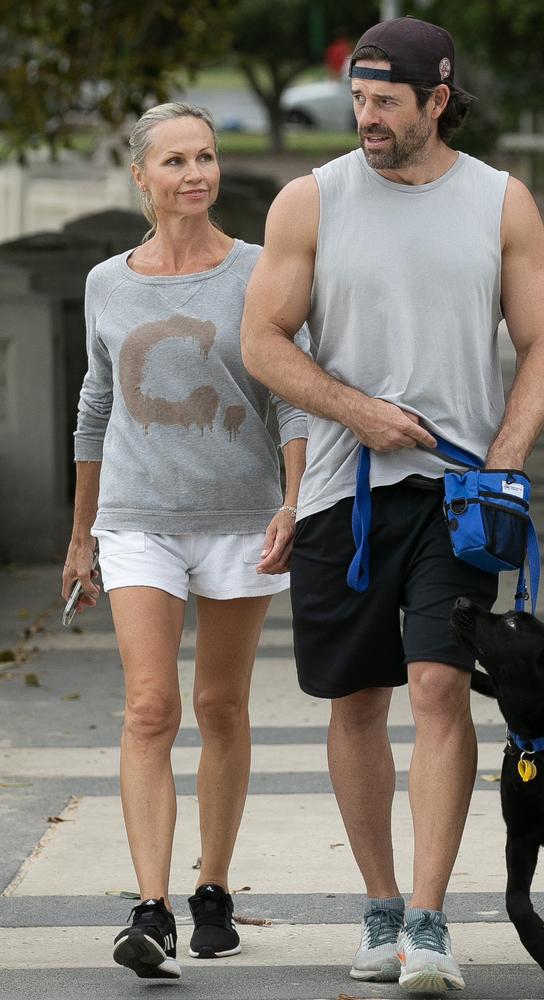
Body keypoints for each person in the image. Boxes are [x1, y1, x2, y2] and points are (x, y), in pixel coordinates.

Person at [241, 16, 544, 997]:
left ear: (437, 98)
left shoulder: (498, 203)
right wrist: (357, 413)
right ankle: (379, 904)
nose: (366, 117)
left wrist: (503, 458)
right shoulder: (311, 200)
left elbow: (542, 345)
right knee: (355, 697)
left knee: (435, 686)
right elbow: (262, 338)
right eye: (358, 99)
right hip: (346, 486)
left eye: (386, 100)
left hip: (458, 496)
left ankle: (427, 921)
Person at [61, 102, 307, 982]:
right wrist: (82, 531)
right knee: (149, 709)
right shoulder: (106, 283)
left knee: (222, 709)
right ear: (141, 176)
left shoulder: (256, 273)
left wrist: (294, 500)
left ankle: (213, 887)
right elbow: (95, 406)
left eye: (205, 157)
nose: (195, 174)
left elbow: (289, 395)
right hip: (137, 522)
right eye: (175, 161)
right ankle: (152, 908)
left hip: (242, 518)